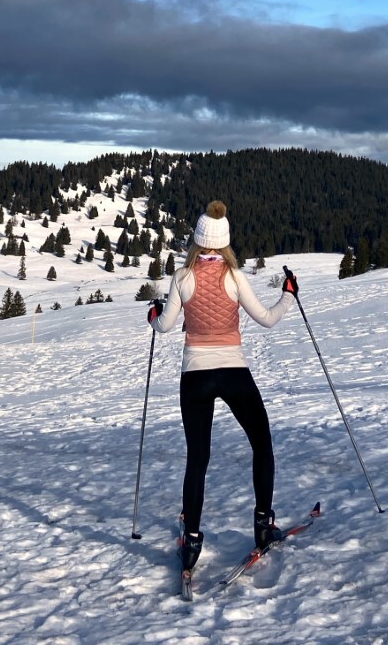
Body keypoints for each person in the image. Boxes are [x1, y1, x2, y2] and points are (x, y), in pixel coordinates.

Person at [147, 199, 299, 575]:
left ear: (198, 239)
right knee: (261, 443)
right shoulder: (235, 276)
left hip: (195, 374)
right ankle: (263, 524)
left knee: (197, 458)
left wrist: (153, 315)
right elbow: (267, 319)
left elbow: (164, 326)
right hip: (233, 372)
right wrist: (288, 295)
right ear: (226, 240)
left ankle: (192, 540)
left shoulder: (182, 277)